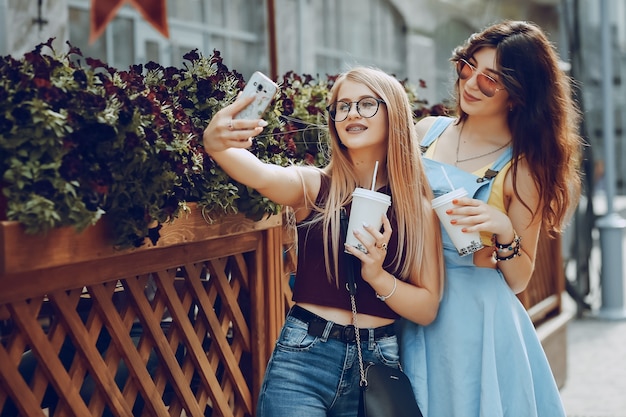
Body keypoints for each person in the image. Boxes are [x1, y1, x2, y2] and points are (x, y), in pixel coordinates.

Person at [203, 66, 444, 417]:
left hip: (375, 365)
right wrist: (216, 143)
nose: (351, 114)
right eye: (342, 106)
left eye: (365, 104)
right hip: (304, 359)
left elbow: (427, 307)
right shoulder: (315, 187)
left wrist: (377, 275)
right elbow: (259, 174)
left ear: (393, 112)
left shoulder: (416, 210)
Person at [400, 20, 583, 417]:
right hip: (410, 302)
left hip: (475, 324)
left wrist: (501, 229)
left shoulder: (521, 169)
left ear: (517, 96)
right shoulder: (425, 133)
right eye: (468, 67)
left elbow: (519, 278)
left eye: (490, 81)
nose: (470, 84)